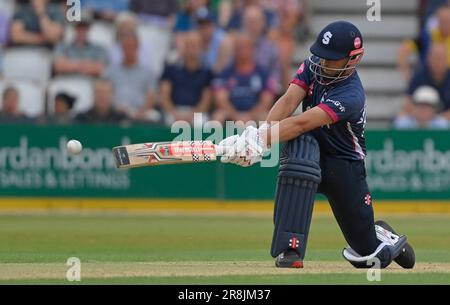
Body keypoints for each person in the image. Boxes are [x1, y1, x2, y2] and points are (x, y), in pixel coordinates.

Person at [217, 21, 416, 269]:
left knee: (370, 258)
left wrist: (261, 141)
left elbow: (303, 122)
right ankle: (290, 249)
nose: (323, 63)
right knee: (298, 163)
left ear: (352, 59)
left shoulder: (351, 95)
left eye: (331, 59)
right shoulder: (313, 65)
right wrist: (261, 134)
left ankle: (381, 236)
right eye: (321, 56)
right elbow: (289, 99)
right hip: (309, 148)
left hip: (343, 165)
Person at [212, 34, 276, 123]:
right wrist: (236, 116)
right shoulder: (225, 73)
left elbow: (266, 100)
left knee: (267, 117)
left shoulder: (263, 73)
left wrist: (250, 116)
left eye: (244, 47)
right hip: (231, 113)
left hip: (255, 113)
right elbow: (221, 99)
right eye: (238, 48)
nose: (241, 51)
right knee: (217, 117)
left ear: (252, 49)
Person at [160, 31, 213, 125]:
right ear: (184, 47)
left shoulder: (207, 73)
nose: (193, 48)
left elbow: (206, 100)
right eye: (190, 45)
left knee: (201, 122)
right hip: (174, 111)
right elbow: (164, 96)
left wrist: (191, 116)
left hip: (196, 112)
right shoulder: (170, 69)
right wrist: (175, 114)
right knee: (168, 120)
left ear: (201, 48)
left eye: (196, 45)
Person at [105, 32, 158, 122]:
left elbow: (151, 95)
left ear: (137, 48)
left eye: (132, 47)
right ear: (121, 49)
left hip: (141, 112)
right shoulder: (111, 72)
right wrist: (114, 108)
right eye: (126, 47)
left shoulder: (148, 72)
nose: (128, 50)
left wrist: (142, 111)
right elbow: (105, 93)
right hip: (115, 112)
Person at [399, 43, 450, 120]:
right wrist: (422, 115)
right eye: (436, 58)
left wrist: (439, 118)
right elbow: (408, 103)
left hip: (446, 119)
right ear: (428, 58)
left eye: (441, 58)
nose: (438, 62)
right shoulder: (419, 76)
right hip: (420, 119)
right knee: (401, 120)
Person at [242, 5, 281, 92]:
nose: (253, 25)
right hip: (240, 89)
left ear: (263, 23)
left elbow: (275, 74)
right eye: (250, 21)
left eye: (256, 21)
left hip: (264, 90)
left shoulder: (271, 47)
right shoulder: (236, 45)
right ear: (244, 23)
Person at [196, 8, 233, 74]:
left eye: (207, 25)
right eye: (201, 25)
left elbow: (220, 70)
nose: (204, 29)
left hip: (220, 78)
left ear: (213, 25)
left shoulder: (223, 40)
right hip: (201, 78)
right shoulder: (196, 39)